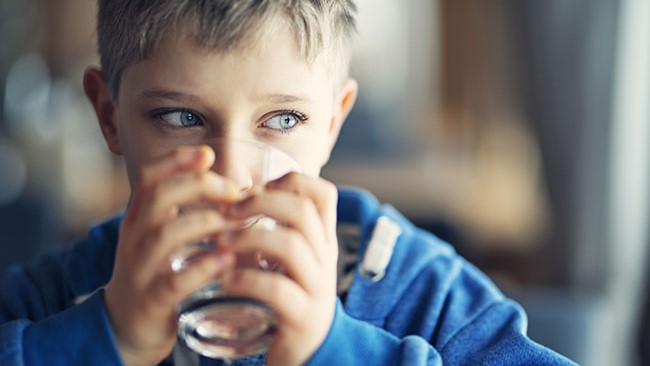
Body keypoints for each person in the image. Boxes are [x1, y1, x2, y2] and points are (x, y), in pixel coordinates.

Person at [0, 1, 577, 365]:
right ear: (108, 116)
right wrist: (107, 338)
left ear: (332, 122)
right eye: (180, 117)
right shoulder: (56, 294)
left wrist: (331, 349)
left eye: (283, 120)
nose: (233, 176)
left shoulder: (413, 291)